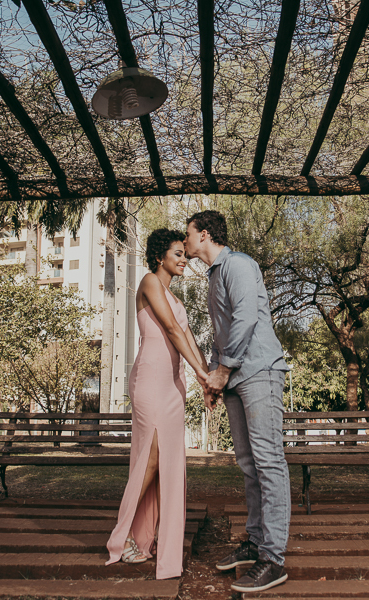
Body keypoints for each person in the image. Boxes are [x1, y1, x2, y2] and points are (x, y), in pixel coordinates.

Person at [184, 210, 291, 594]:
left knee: (268, 461)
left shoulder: (239, 264)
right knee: (248, 464)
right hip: (233, 378)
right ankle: (256, 541)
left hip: (259, 371)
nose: (185, 240)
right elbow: (222, 334)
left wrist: (223, 371)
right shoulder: (214, 276)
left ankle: (273, 559)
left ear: (204, 234)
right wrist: (214, 381)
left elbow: (245, 319)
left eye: (188, 233)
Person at [105, 228, 210, 579]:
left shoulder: (175, 297)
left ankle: (147, 538)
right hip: (150, 380)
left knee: (169, 465)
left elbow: (189, 338)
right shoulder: (150, 282)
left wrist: (206, 377)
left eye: (184, 254)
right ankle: (122, 536)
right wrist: (202, 374)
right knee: (150, 460)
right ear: (159, 257)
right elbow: (172, 331)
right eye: (177, 254)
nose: (184, 260)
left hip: (173, 386)